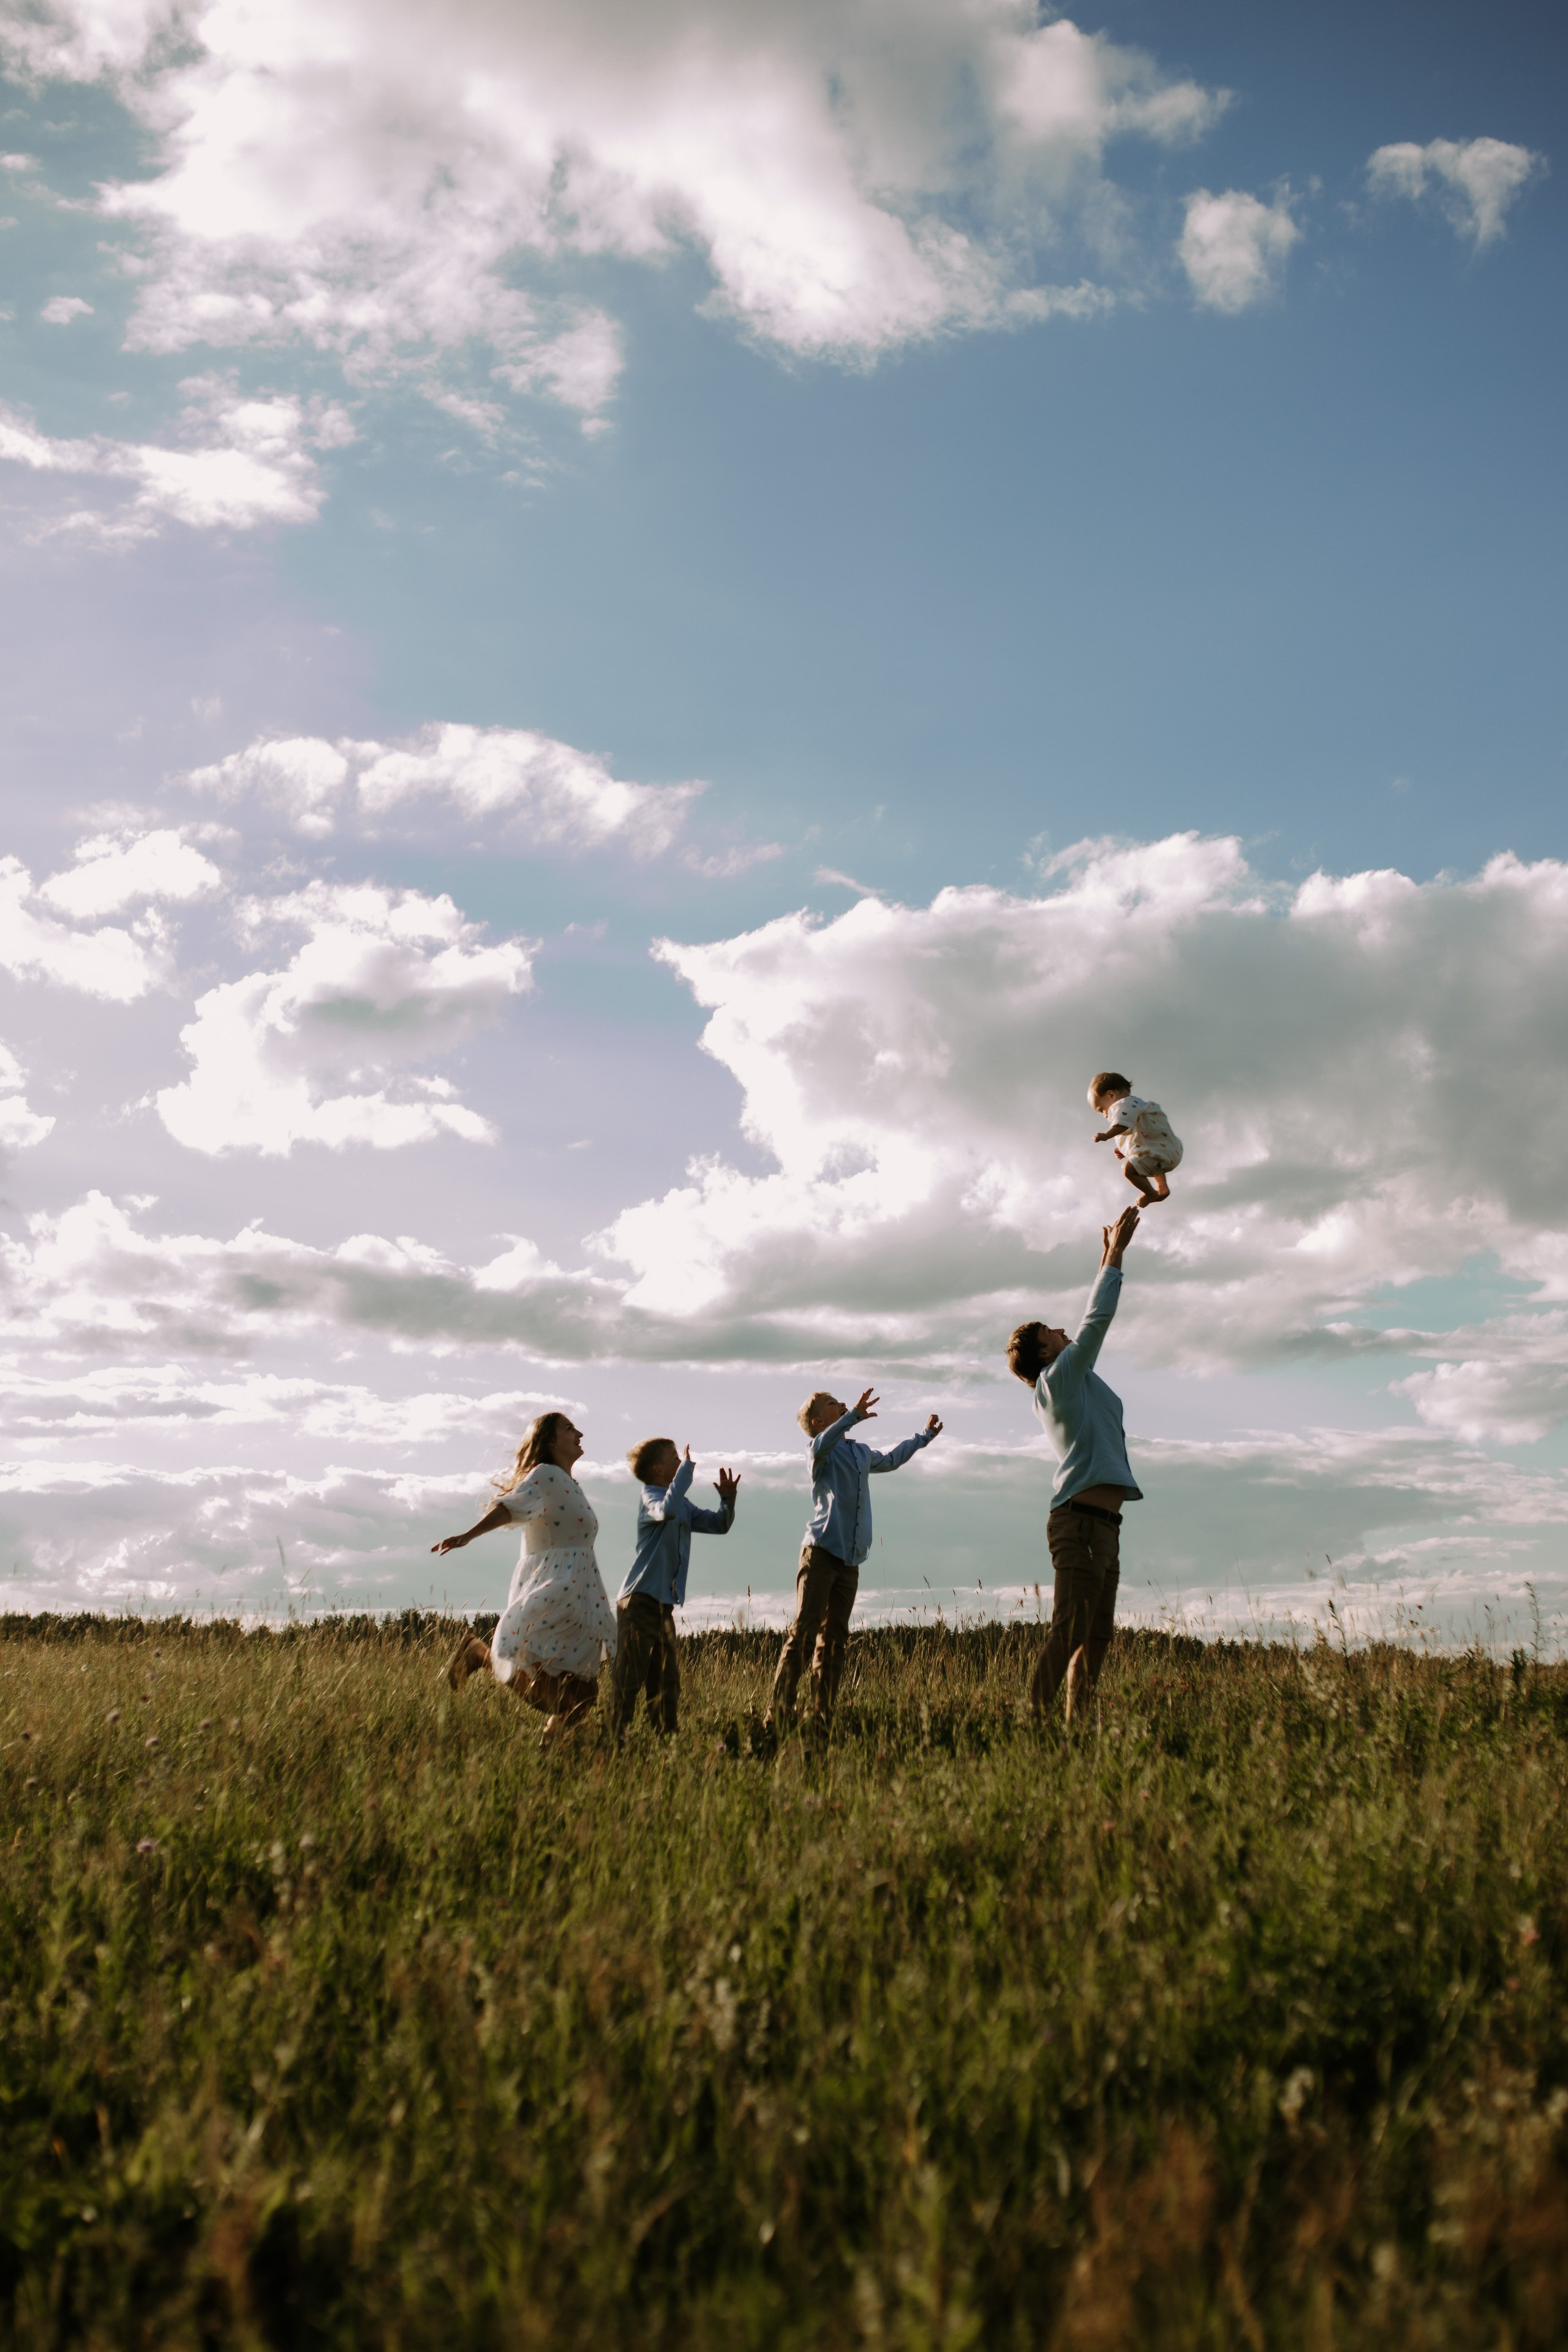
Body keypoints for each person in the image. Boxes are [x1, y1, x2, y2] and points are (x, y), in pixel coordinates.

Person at [1007, 1205, 1142, 1727]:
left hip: (1105, 1524)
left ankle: (1076, 1728)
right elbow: (1095, 1322)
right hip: (1079, 1520)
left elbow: (1087, 1334)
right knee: (1070, 1629)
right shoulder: (1055, 1382)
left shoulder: (1079, 1382)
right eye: (1051, 1333)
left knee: (1098, 1637)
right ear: (1045, 1357)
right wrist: (1113, 1257)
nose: (1062, 1330)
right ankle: (1035, 1728)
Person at [763, 1387, 943, 1736]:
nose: (842, 1404)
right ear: (818, 1422)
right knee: (803, 1633)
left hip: (850, 1561)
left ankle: (821, 1718)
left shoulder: (860, 1452)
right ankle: (777, 1715)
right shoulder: (819, 1451)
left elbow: (891, 1459)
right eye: (834, 1404)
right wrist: (854, 1416)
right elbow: (824, 1443)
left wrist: (925, 1437)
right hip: (819, 1554)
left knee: (834, 1641)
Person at [432, 1410, 616, 1743]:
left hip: (584, 1594)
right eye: (570, 1428)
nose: (580, 1434)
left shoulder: (569, 1484)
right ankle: (478, 1654)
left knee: (586, 1694)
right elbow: (510, 1507)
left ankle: (553, 1745)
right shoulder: (545, 1475)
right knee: (554, 1691)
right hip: (557, 1588)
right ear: (550, 1441)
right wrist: (468, 1536)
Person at [608, 1440, 741, 1737]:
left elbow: (719, 1525)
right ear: (658, 1469)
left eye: (681, 1459)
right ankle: (616, 1741)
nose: (681, 1461)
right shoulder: (650, 1498)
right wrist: (688, 1471)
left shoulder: (682, 1504)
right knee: (630, 1677)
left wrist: (728, 1500)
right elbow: (665, 1512)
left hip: (662, 1605)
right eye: (675, 1458)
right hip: (638, 1600)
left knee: (667, 1680)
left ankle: (666, 1740)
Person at [1089, 1071, 1182, 1205]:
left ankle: (1150, 1193)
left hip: (1160, 1154)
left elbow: (1121, 1125)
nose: (1104, 1115)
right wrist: (1124, 1151)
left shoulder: (1122, 1105)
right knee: (1147, 1154)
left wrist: (1106, 1135)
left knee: (1128, 1170)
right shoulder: (1137, 1105)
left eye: (1102, 1109)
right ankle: (1162, 1187)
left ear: (1111, 1095)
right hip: (1168, 1151)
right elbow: (1140, 1136)